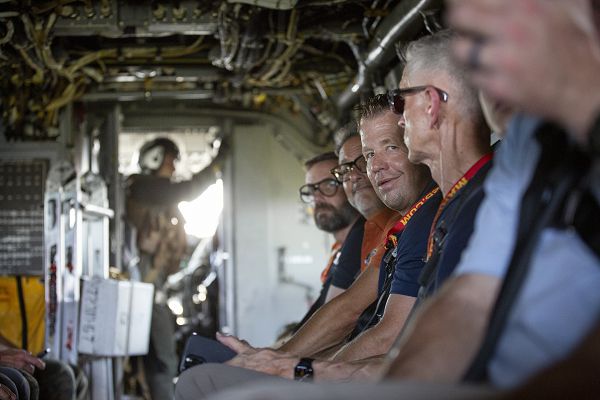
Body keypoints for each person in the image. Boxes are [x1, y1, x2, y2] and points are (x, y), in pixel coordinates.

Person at [174, 95, 439, 399]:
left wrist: (295, 370)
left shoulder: (424, 217)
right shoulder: (400, 227)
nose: (371, 169)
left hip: (391, 377)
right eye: (368, 155)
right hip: (363, 369)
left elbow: (368, 325)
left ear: (416, 144)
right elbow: (348, 306)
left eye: (390, 147)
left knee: (197, 382)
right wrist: (283, 362)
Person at [126, 137, 224, 400]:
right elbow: (189, 190)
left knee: (158, 356)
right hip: (145, 290)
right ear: (154, 159)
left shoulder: (151, 193)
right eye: (170, 159)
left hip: (150, 288)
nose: (173, 166)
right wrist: (217, 163)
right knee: (163, 357)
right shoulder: (142, 187)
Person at [292, 152, 360, 332]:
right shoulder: (339, 251)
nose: (318, 198)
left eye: (329, 185)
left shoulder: (363, 240)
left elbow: (335, 323)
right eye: (312, 189)